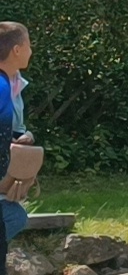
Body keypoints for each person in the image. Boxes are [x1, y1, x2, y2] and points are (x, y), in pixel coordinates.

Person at [0, 22, 32, 263]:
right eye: (29, 45)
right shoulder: (2, 86)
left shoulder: (13, 83)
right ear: (17, 50)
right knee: (14, 217)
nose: (32, 51)